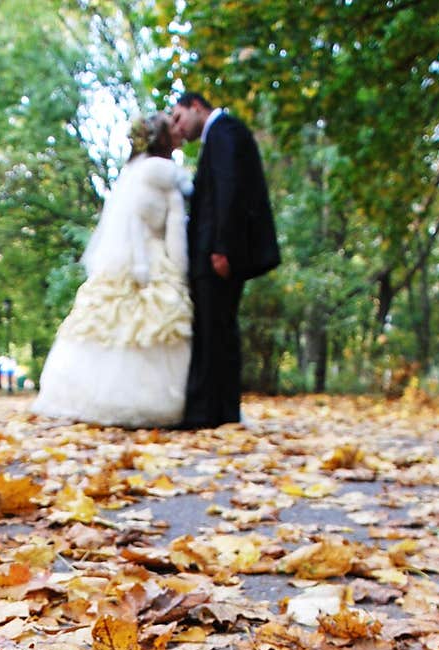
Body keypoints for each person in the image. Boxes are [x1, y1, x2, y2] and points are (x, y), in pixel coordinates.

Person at [34, 112, 192, 429]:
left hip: (123, 262)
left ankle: (88, 398)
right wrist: (181, 270)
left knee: (107, 325)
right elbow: (175, 232)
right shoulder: (168, 177)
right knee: (156, 326)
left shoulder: (130, 174)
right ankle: (157, 403)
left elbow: (130, 221)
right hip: (155, 260)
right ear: (163, 140)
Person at [169, 91, 281, 428]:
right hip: (213, 250)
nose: (178, 126)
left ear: (196, 107)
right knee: (215, 328)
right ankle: (217, 411)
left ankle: (210, 413)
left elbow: (229, 191)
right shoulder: (221, 134)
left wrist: (222, 247)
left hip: (217, 253)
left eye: (179, 117)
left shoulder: (224, 131)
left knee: (215, 329)